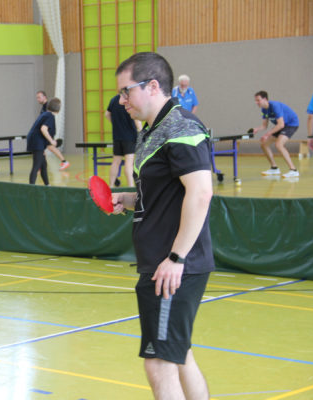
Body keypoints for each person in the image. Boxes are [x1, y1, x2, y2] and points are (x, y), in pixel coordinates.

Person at [111, 52, 214, 399]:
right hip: (162, 263)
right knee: (180, 356)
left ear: (152, 86)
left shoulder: (181, 127)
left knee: (159, 363)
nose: (122, 101)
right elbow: (160, 194)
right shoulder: (151, 131)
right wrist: (127, 199)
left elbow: (201, 193)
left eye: (126, 91)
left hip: (171, 268)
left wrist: (176, 258)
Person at [252, 91, 300, 178]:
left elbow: (281, 124)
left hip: (291, 124)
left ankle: (293, 170)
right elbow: (264, 126)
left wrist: (267, 135)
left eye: (258, 100)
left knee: (279, 144)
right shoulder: (264, 109)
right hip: (281, 125)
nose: (256, 102)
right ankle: (274, 168)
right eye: (255, 100)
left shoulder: (275, 106)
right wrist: (257, 129)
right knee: (264, 144)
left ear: (265, 99)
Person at [105, 94, 141, 187]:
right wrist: (141, 130)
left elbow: (107, 114)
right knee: (129, 163)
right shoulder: (130, 100)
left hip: (117, 136)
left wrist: (115, 124)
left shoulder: (114, 99)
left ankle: (111, 186)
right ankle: (131, 186)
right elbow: (136, 119)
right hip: (130, 137)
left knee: (116, 162)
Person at [27, 97, 60, 185]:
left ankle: (47, 185)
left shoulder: (45, 114)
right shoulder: (50, 116)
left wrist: (43, 148)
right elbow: (43, 129)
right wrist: (52, 141)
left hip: (36, 142)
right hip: (37, 143)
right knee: (36, 165)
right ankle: (31, 187)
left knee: (43, 165)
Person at [36, 90, 70, 170]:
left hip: (47, 130)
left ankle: (64, 162)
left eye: (39, 97)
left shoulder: (48, 106)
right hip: (45, 130)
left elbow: (48, 119)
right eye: (37, 98)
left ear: (44, 97)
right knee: (45, 148)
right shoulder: (44, 106)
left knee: (48, 147)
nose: (38, 99)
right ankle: (42, 166)